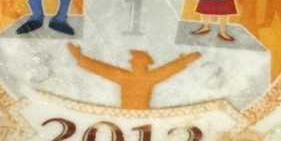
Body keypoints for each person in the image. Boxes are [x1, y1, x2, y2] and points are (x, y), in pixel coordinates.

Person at [68, 43, 201, 110]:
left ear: (140, 63)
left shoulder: (140, 77)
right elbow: (101, 69)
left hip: (136, 117)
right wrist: (80, 58)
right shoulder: (135, 77)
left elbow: (169, 70)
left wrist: (186, 60)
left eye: (133, 60)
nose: (130, 62)